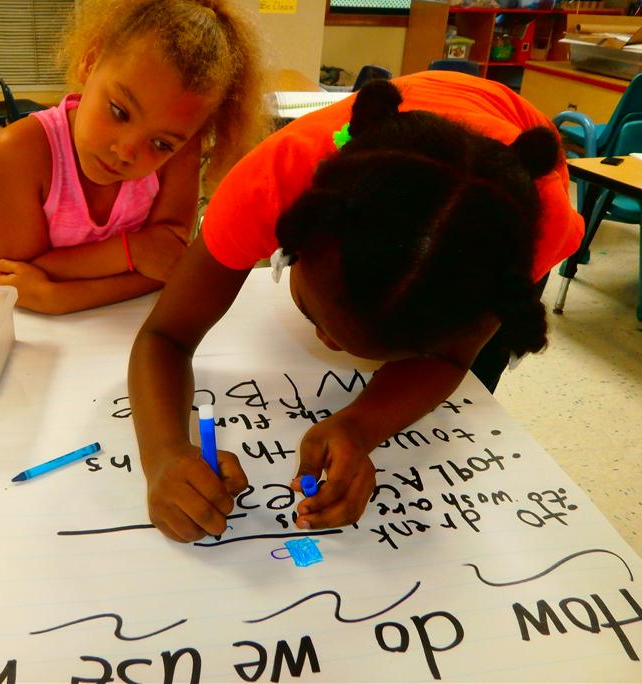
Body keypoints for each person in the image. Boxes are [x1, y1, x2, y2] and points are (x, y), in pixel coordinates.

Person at [127, 71, 585, 543]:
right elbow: (166, 335)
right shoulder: (273, 180)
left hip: (519, 177)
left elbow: (451, 358)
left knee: (467, 402)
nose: (330, 346)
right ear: (294, 238)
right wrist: (163, 452)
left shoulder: (523, 239)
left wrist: (361, 425)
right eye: (314, 319)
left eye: (395, 350)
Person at [0, 0, 268, 314]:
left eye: (161, 143)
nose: (125, 152)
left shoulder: (182, 150)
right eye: (120, 111)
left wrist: (58, 296)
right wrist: (131, 252)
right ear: (90, 62)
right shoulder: (19, 151)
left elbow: (169, 264)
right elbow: (17, 276)